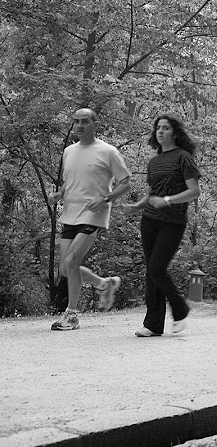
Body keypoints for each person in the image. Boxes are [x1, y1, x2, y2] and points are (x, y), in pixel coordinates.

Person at [48, 108, 132, 331]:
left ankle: (72, 316)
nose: (79, 126)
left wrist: (106, 199)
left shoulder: (108, 152)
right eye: (76, 122)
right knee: (66, 268)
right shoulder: (68, 151)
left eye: (85, 121)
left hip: (94, 213)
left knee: (73, 260)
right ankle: (104, 284)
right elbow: (71, 181)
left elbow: (125, 182)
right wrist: (59, 194)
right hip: (70, 213)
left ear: (95, 124)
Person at [124, 115, 201, 337]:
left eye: (165, 128)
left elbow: (194, 191)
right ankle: (153, 324)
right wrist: (138, 205)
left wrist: (167, 201)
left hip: (173, 221)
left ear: (174, 133)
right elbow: (152, 192)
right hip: (149, 220)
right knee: (151, 272)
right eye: (158, 128)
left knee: (157, 269)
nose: (160, 131)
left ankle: (180, 307)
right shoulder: (154, 162)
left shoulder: (183, 158)